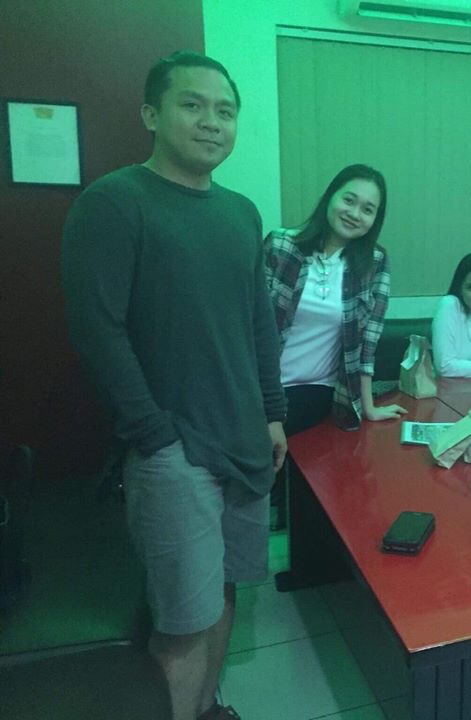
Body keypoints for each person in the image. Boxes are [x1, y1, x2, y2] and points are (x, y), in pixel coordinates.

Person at [61, 51, 285, 720]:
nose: (211, 121)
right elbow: (97, 330)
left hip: (245, 442)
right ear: (152, 114)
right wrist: (154, 434)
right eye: (193, 105)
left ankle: (208, 708)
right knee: (183, 625)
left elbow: (257, 322)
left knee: (226, 593)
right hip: (176, 452)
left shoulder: (241, 213)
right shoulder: (115, 201)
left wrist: (272, 414)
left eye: (225, 110)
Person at [264, 165, 406, 433]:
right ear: (330, 197)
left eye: (367, 209)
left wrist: (368, 407)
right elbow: (251, 325)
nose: (355, 214)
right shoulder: (281, 246)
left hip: (316, 390)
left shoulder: (374, 263)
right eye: (349, 200)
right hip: (263, 386)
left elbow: (367, 344)